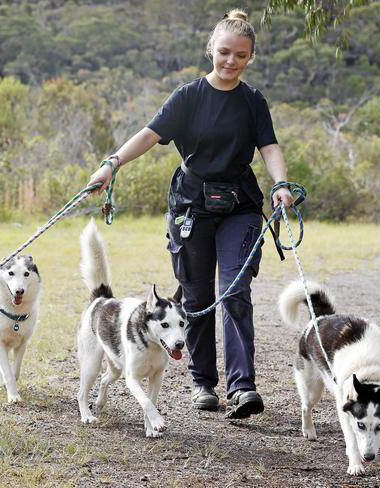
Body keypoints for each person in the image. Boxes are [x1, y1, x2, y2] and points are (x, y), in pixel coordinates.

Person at [86, 9, 293, 418]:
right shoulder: (188, 96)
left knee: (235, 293)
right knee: (196, 299)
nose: (231, 61)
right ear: (210, 51)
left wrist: (281, 183)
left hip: (240, 206)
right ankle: (203, 383)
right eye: (224, 52)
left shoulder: (253, 102)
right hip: (190, 207)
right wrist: (112, 164)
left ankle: (242, 387)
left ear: (250, 57)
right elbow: (149, 134)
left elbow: (269, 146)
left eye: (241, 55)